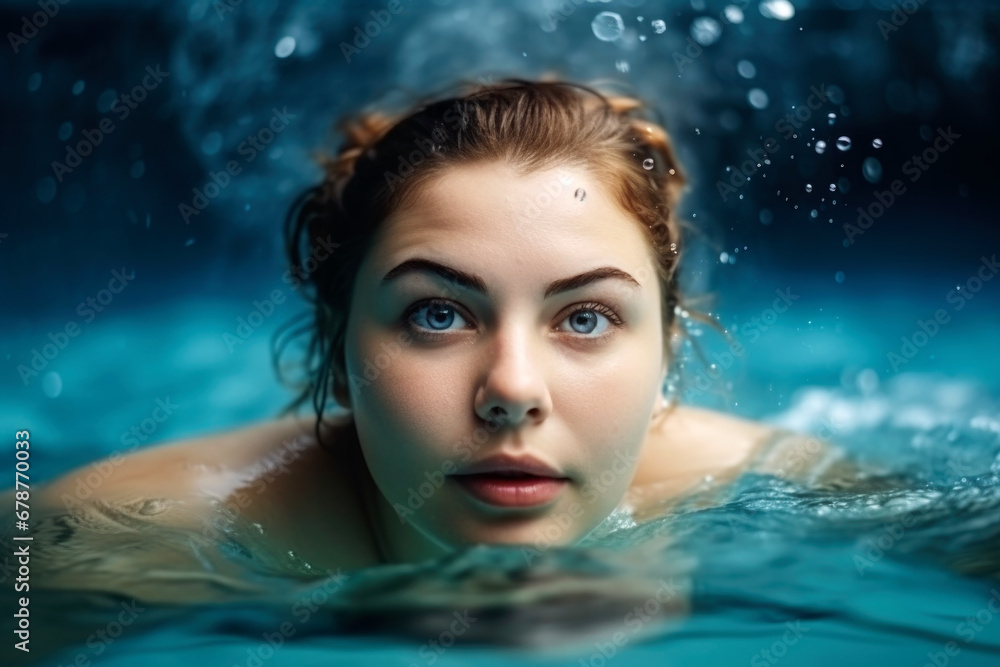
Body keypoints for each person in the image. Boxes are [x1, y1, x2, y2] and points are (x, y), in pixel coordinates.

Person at [5, 78, 856, 605]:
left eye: (585, 317)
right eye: (438, 314)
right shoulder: (110, 546)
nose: (513, 389)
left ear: (666, 352)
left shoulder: (791, 493)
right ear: (338, 346)